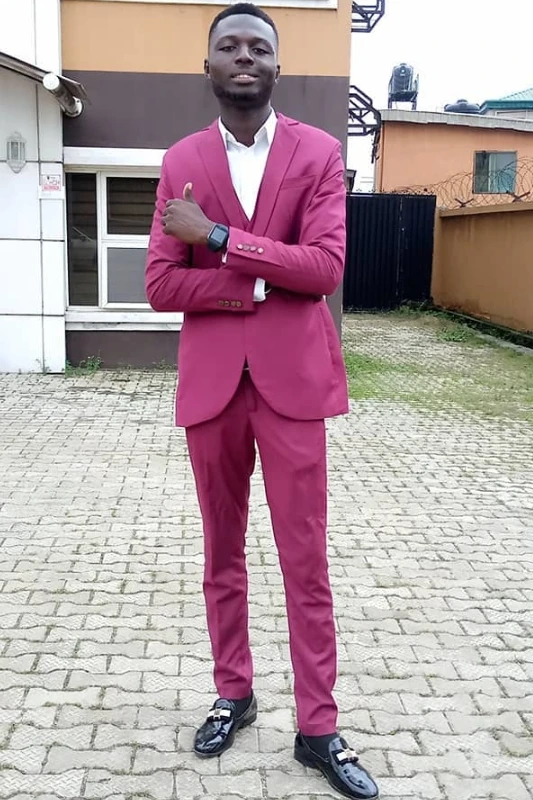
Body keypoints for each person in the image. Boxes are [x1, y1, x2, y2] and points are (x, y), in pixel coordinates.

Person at [145, 5, 379, 799]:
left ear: (277, 66)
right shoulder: (181, 159)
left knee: (303, 561)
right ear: (207, 66)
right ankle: (233, 693)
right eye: (228, 46)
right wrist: (252, 285)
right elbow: (158, 285)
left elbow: (322, 269)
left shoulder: (317, 154)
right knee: (221, 555)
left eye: (258, 47)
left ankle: (317, 728)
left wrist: (216, 240)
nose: (243, 56)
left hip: (291, 388)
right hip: (213, 387)